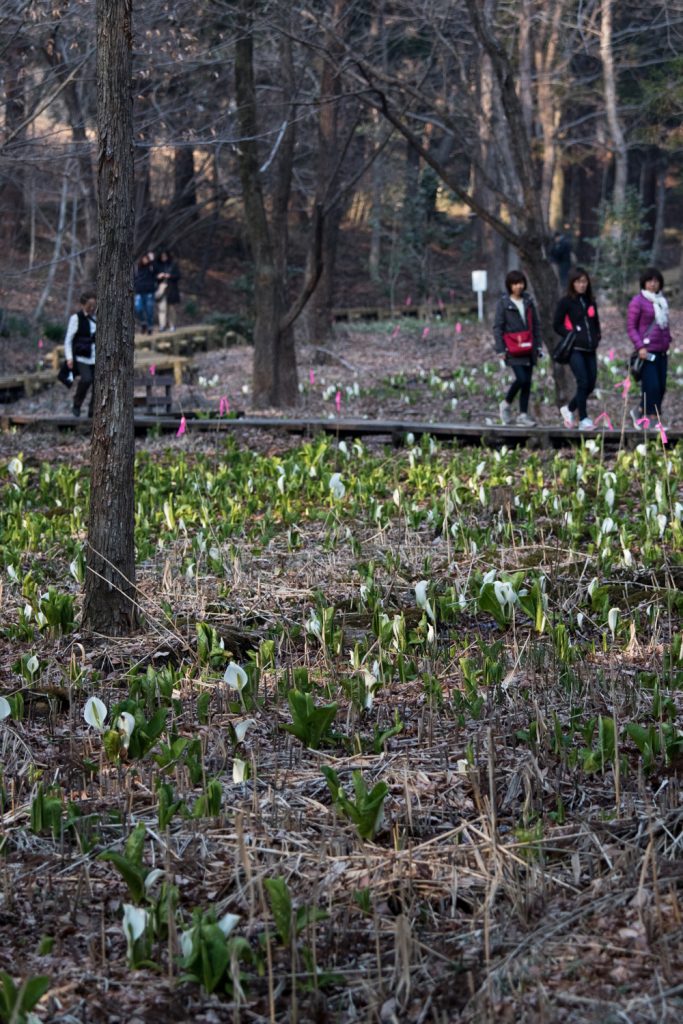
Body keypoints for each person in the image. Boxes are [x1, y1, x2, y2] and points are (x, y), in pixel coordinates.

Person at [553, 266, 601, 430]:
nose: (582, 285)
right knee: (583, 381)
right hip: (575, 349)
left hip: (590, 349)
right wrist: (571, 334)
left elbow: (596, 323)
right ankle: (584, 419)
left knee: (591, 384)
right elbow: (556, 324)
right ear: (572, 283)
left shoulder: (590, 301)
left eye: (584, 281)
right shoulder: (566, 302)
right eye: (579, 282)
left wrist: (596, 337)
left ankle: (569, 408)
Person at [494, 270, 542, 427]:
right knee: (521, 378)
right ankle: (506, 404)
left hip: (529, 347)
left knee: (527, 382)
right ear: (509, 286)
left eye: (521, 283)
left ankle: (523, 414)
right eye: (515, 283)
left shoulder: (528, 301)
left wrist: (538, 345)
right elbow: (498, 327)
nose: (518, 286)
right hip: (512, 348)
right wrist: (500, 349)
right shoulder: (503, 303)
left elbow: (535, 325)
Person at [627, 267, 671, 430]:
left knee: (661, 387)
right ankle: (653, 420)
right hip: (646, 352)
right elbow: (631, 327)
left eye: (656, 281)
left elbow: (664, 327)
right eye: (650, 281)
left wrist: (668, 341)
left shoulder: (661, 301)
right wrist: (640, 346)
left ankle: (638, 412)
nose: (653, 284)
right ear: (644, 283)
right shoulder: (638, 302)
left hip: (661, 350)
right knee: (651, 386)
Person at [64, 291, 96, 418]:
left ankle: (93, 410)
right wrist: (69, 358)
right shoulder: (76, 318)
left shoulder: (97, 318)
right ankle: (77, 404)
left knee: (99, 383)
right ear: (83, 305)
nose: (92, 308)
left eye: (94, 305)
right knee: (87, 379)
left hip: (96, 356)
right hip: (82, 356)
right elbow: (68, 340)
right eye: (90, 305)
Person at [155, 249, 181, 332]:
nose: (163, 258)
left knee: (171, 308)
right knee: (162, 308)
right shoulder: (157, 265)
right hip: (161, 288)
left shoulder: (173, 265)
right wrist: (158, 276)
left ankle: (172, 325)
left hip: (171, 289)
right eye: (162, 256)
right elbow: (152, 276)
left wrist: (170, 276)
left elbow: (178, 276)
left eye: (165, 256)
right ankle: (162, 326)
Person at [134, 252, 157, 334]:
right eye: (144, 258)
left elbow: (156, 271)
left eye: (147, 259)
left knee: (149, 310)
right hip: (139, 292)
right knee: (138, 309)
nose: (145, 260)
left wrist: (152, 261)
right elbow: (134, 278)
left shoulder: (151, 267)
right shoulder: (137, 268)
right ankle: (143, 323)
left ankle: (150, 327)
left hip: (149, 292)